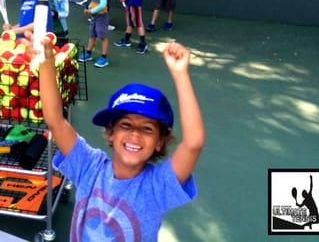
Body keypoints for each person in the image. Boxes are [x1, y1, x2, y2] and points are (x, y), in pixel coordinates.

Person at [35, 35, 204, 241]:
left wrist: (181, 74)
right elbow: (55, 120)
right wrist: (46, 64)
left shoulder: (156, 187)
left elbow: (193, 144)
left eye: (147, 129)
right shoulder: (89, 166)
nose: (135, 134)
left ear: (160, 142)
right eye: (126, 125)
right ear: (111, 133)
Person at [78, 0, 112, 68]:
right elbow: (94, 2)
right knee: (92, 35)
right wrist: (89, 8)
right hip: (94, 16)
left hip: (101, 17)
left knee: (103, 37)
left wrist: (91, 11)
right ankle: (88, 53)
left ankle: (104, 57)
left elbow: (102, 4)